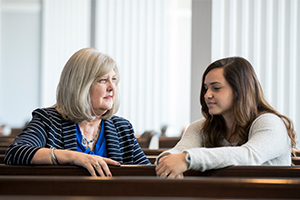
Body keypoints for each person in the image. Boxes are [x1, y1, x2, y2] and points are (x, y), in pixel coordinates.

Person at [5, 47, 150, 176]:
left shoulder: (122, 128)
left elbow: (149, 173)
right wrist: (74, 157)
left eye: (114, 79)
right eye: (103, 80)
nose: (112, 88)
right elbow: (15, 153)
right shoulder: (47, 120)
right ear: (81, 85)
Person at [155, 57, 296, 178]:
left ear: (240, 91)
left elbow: (250, 156)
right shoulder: (200, 127)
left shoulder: (270, 123)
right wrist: (166, 159)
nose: (207, 95)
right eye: (206, 88)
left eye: (216, 88)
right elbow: (178, 151)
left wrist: (187, 159)